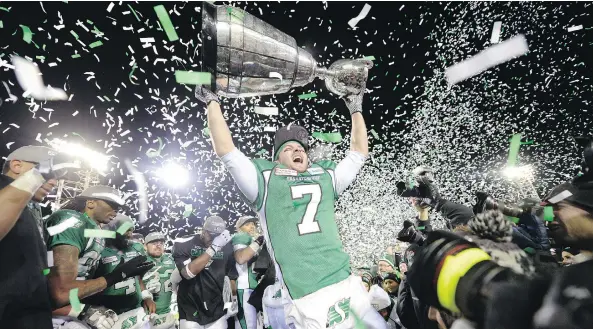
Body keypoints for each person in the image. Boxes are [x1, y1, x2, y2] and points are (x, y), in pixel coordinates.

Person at [196, 58, 385, 329]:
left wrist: (356, 108)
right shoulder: (264, 179)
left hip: (347, 283)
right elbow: (227, 151)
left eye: (301, 149)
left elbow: (358, 154)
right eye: (289, 149)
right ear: (276, 159)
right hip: (308, 298)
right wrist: (212, 101)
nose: (297, 151)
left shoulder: (325, 176)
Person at [45, 185, 153, 329]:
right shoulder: (73, 221)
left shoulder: (95, 230)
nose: (116, 210)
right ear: (90, 203)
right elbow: (60, 291)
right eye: (112, 204)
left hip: (70, 310)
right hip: (52, 315)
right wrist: (116, 276)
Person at [0, 145, 69, 329]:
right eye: (49, 172)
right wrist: (36, 176)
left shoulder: (33, 209)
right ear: (16, 165)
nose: (54, 182)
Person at [84, 214, 156, 329]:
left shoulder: (137, 248)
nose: (130, 234)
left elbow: (138, 277)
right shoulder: (96, 250)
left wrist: (146, 296)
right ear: (112, 229)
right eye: (126, 230)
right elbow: (84, 285)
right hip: (109, 315)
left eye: (132, 230)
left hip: (135, 310)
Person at [173, 216, 238, 329]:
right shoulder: (184, 242)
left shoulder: (226, 246)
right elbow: (187, 274)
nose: (214, 239)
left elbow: (231, 275)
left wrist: (234, 299)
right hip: (190, 307)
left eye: (218, 236)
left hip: (216, 307)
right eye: (211, 235)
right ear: (203, 230)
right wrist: (213, 248)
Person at [231, 215, 264, 329]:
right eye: (247, 224)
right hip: (244, 287)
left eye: (252, 223)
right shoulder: (241, 236)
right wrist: (258, 241)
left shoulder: (250, 239)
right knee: (248, 325)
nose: (251, 226)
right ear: (239, 228)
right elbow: (241, 258)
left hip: (252, 286)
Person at [143, 232, 177, 329]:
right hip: (145, 315)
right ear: (145, 246)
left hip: (167, 312)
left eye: (161, 243)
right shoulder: (140, 260)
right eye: (154, 243)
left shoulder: (171, 258)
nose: (158, 246)